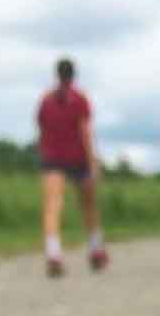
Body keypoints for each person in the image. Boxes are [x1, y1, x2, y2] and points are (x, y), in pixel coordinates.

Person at [36, 57, 107, 278]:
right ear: (74, 75)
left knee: (52, 206)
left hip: (52, 159)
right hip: (78, 159)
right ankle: (95, 249)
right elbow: (85, 132)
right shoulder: (80, 99)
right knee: (88, 205)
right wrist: (93, 161)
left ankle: (53, 253)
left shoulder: (46, 100)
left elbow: (42, 129)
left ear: (57, 75)